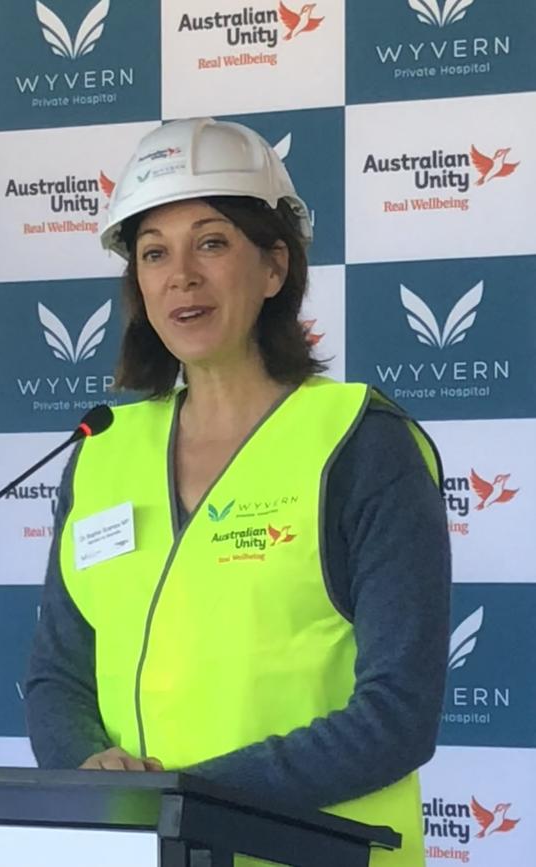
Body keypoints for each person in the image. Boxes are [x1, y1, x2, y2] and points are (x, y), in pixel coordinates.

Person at [26, 118, 451, 866]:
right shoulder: (102, 448)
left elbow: (396, 716)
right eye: (154, 252)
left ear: (274, 267)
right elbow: (58, 674)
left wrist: (185, 800)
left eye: (212, 242)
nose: (180, 275)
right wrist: (88, 771)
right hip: (148, 850)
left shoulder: (359, 441)